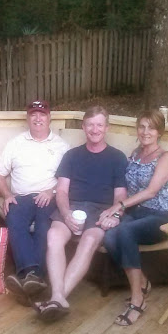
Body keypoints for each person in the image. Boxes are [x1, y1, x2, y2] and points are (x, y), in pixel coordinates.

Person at [35, 106, 128, 322]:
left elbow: (120, 195)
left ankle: (56, 298)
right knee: (53, 236)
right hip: (73, 207)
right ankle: (58, 298)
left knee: (89, 240)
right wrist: (66, 213)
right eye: (90, 125)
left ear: (107, 128)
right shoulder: (72, 156)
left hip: (101, 210)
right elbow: (62, 191)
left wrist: (114, 215)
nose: (95, 129)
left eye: (99, 125)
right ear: (84, 127)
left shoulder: (117, 158)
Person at [100, 109, 168, 326]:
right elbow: (127, 189)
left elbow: (151, 191)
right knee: (109, 234)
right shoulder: (135, 154)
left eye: (151, 128)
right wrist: (116, 212)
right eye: (142, 127)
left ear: (159, 131)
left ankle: (137, 300)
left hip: (161, 216)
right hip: (135, 213)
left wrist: (119, 206)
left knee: (125, 231)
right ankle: (143, 282)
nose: (145, 132)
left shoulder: (166, 157)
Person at [0, 100, 69, 305]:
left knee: (44, 225)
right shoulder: (16, 143)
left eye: (42, 114)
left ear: (49, 117)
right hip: (21, 196)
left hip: (48, 196)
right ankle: (34, 277)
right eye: (33, 114)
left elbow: (68, 179)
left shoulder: (61, 146)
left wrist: (51, 191)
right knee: (15, 219)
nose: (37, 118)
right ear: (28, 118)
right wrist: (7, 195)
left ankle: (28, 277)